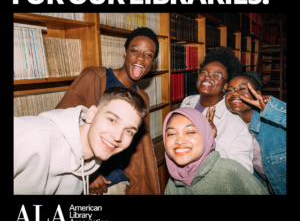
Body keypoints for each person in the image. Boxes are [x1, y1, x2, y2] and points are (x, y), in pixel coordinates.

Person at [56, 27, 160, 195]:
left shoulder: (143, 97)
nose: (141, 58)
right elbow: (60, 127)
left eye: (148, 55)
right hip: (85, 183)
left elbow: (140, 149)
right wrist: (89, 171)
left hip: (121, 181)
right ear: (125, 53)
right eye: (135, 51)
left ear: (152, 62)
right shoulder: (94, 78)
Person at [14, 86, 148, 195]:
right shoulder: (32, 135)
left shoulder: (90, 163)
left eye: (129, 131)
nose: (118, 137)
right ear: (91, 114)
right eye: (112, 120)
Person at [180, 47, 254, 173]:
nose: (207, 77)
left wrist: (211, 141)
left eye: (216, 75)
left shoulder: (234, 119)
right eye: (204, 72)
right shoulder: (187, 103)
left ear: (225, 86)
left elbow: (245, 169)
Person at [163, 108, 268, 195]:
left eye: (190, 132)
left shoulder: (229, 171)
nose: (180, 141)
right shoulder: (174, 180)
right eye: (171, 134)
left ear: (206, 136)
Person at [224, 71, 286, 195]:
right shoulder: (230, 127)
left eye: (242, 89)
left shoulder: (273, 122)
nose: (234, 93)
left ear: (257, 94)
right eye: (229, 90)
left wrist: (272, 109)